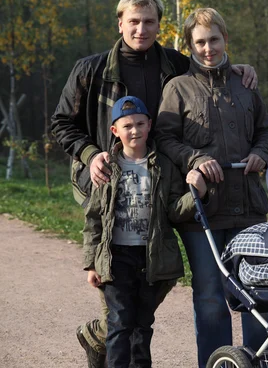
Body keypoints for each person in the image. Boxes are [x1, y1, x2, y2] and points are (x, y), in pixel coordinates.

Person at [50, 0, 258, 368]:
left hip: (166, 189)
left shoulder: (175, 66)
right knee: (122, 293)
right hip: (110, 191)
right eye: (133, 21)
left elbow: (210, 69)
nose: (141, 28)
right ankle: (112, 334)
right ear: (120, 23)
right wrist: (89, 153)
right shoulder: (91, 70)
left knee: (155, 282)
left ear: (159, 25)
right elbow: (61, 123)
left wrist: (239, 69)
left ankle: (101, 332)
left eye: (148, 21)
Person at [155, 7, 268, 368]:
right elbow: (163, 138)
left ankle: (261, 363)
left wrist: (260, 153)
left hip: (249, 208)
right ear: (190, 45)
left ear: (226, 40)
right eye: (200, 42)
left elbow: (266, 130)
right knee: (209, 296)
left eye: (214, 40)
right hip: (202, 212)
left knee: (256, 292)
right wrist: (193, 159)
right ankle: (216, 363)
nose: (208, 48)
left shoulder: (246, 84)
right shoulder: (177, 88)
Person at [83, 95, 209, 368]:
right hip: (117, 258)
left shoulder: (163, 166)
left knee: (143, 323)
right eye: (127, 126)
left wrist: (196, 193)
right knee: (119, 322)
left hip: (151, 257)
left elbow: (175, 210)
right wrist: (91, 263)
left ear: (150, 125)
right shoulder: (107, 169)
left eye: (140, 123)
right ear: (115, 131)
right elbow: (94, 218)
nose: (135, 131)